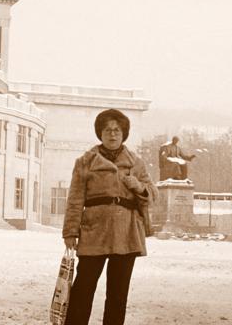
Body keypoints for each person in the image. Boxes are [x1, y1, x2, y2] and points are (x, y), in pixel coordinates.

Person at [62, 109, 157, 325]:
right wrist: (70, 232)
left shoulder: (136, 162)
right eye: (107, 130)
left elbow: (152, 193)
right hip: (94, 231)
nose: (112, 134)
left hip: (126, 234)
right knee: (83, 289)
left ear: (124, 134)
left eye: (117, 130)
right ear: (100, 133)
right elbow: (75, 199)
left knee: (118, 295)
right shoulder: (85, 162)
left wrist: (139, 186)